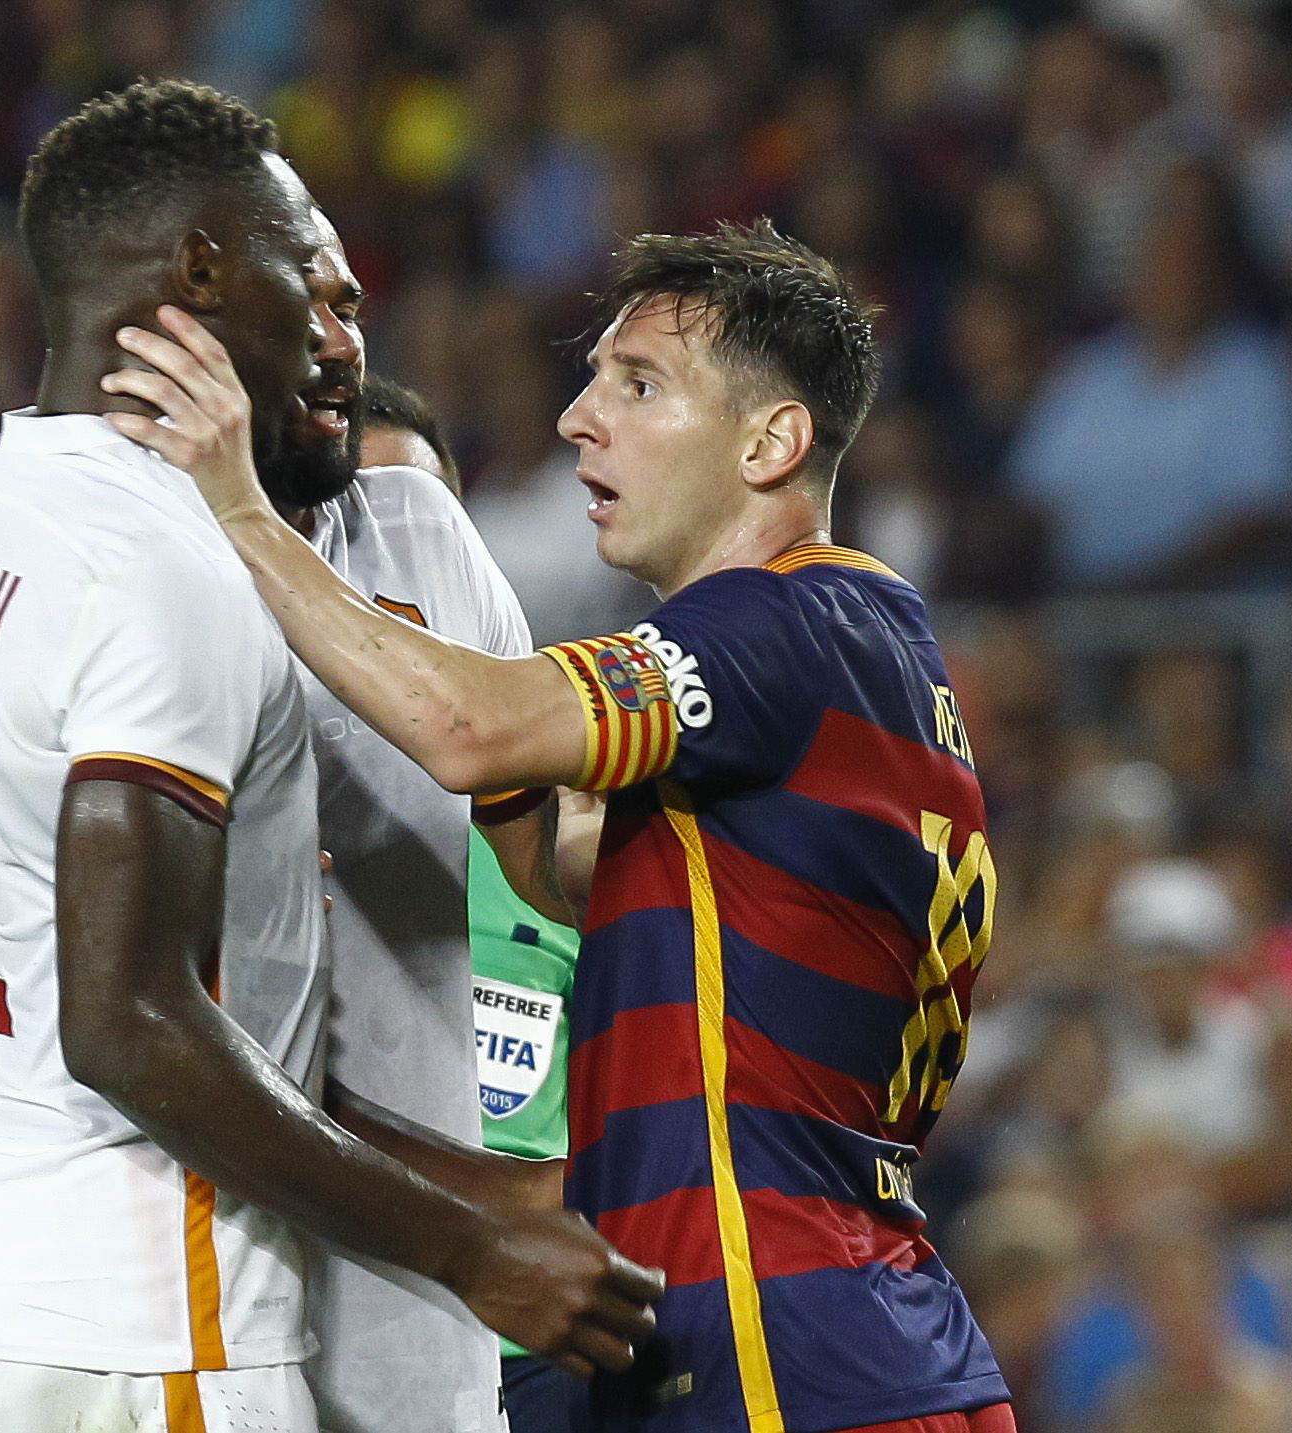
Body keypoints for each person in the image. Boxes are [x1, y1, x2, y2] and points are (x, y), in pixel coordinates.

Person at [104, 219, 1013, 1431]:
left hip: (778, 1350)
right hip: (852, 1332)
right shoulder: (858, 661)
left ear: (771, 441)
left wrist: (240, 511)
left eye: (639, 384)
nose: (579, 418)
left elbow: (469, 730)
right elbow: (573, 871)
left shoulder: (782, 623)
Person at [0, 79, 659, 1433]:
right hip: (141, 1300)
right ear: (200, 271)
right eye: (322, 290)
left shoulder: (1, 527)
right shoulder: (168, 558)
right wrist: (474, 1234)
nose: (345, 334)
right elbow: (130, 1023)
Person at [258, 228, 575, 1433]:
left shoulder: (540, 860)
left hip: (481, 1328)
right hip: (226, 1284)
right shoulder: (150, 599)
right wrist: (483, 1201)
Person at [359, 377, 585, 1433]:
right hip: (348, 1337)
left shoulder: (564, 829)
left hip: (541, 1349)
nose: (394, 560)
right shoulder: (260, 816)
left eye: (423, 519)